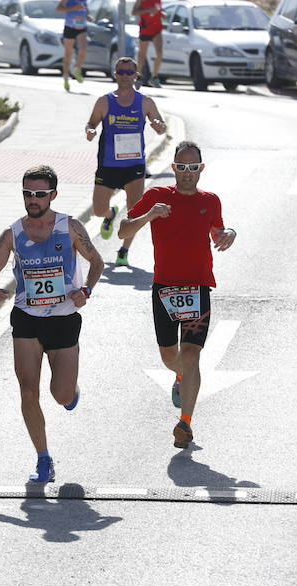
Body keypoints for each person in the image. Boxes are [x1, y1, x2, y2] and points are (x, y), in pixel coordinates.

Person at [0, 165, 104, 483]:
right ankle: (43, 459)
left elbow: (97, 262)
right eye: (27, 193)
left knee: (60, 395)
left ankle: (70, 392)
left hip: (63, 320)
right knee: (28, 393)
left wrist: (86, 290)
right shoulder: (13, 234)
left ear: (53, 195)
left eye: (39, 194)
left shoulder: (70, 227)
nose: (32, 199)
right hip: (26, 320)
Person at [116, 140, 235, 449]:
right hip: (165, 289)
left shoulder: (210, 201)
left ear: (200, 169)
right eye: (181, 167)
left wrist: (229, 234)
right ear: (173, 168)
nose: (186, 174)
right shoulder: (157, 196)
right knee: (171, 357)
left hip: (198, 288)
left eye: (192, 168)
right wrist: (149, 215)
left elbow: (217, 231)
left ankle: (185, 423)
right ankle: (180, 377)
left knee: (192, 355)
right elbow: (123, 231)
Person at [85, 56, 166, 266]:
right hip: (108, 164)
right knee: (97, 209)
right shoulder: (105, 101)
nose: (125, 76)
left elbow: (161, 125)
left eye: (129, 72)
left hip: (134, 166)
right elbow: (91, 123)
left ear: (136, 75)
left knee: (135, 211)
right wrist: (91, 130)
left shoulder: (145, 102)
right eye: (121, 72)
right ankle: (110, 214)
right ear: (115, 74)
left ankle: (124, 251)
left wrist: (158, 125)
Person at [56, 0, 88, 91]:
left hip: (82, 27)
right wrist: (73, 8)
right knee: (68, 54)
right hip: (70, 27)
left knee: (83, 48)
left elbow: (84, 8)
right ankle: (66, 77)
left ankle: (77, 69)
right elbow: (58, 9)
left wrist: (87, 16)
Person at [132, 0, 165, 88]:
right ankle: (138, 76)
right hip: (145, 28)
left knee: (160, 52)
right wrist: (148, 10)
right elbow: (134, 12)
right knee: (142, 55)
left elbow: (158, 10)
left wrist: (162, 14)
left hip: (156, 29)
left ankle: (154, 77)